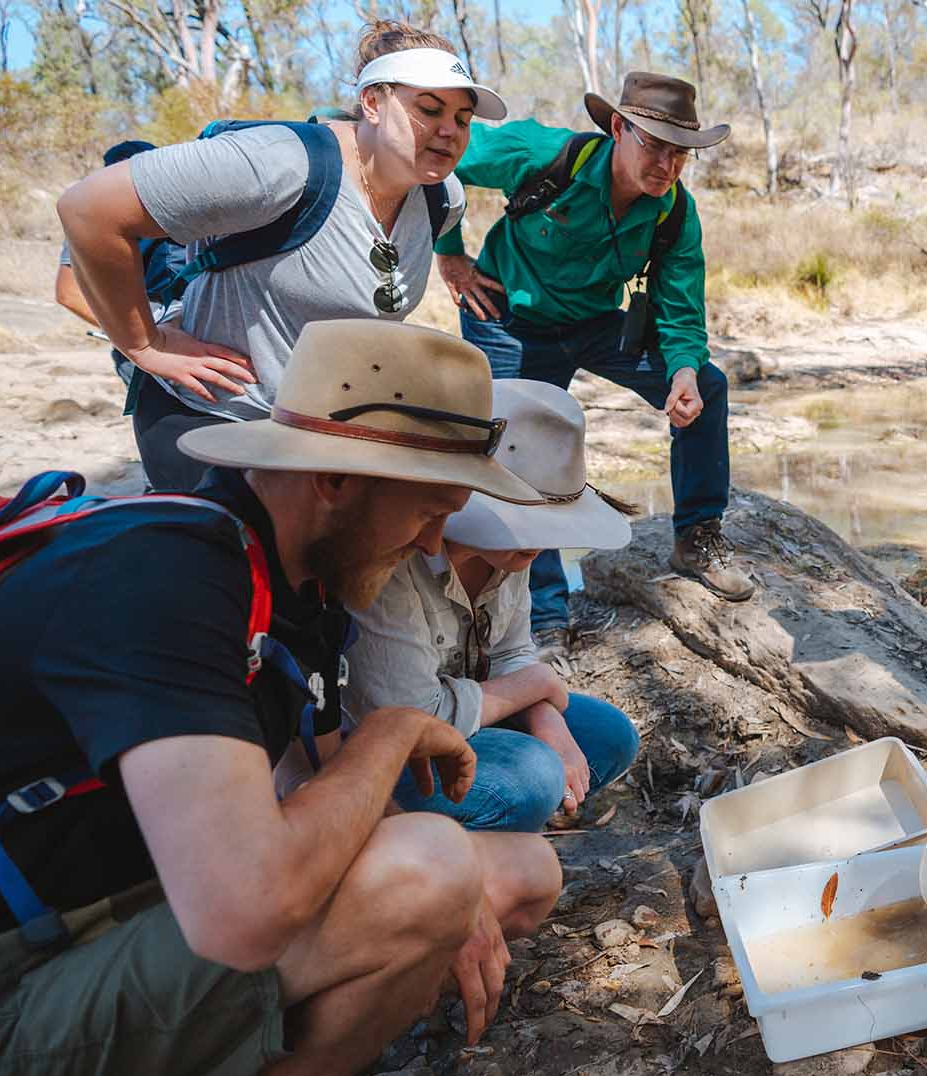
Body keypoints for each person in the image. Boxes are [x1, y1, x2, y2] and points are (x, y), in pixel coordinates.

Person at [0, 319, 559, 1076]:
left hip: (135, 906)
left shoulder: (293, 580)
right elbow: (246, 915)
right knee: (429, 871)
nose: (434, 545)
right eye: (429, 512)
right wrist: (390, 734)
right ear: (334, 481)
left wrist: (445, 909)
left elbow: (334, 798)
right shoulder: (171, 581)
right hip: (24, 977)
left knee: (520, 878)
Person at [57, 19, 505, 493]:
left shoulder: (443, 198)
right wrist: (143, 345)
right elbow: (86, 210)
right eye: (429, 109)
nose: (449, 131)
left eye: (462, 119)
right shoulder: (281, 164)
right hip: (214, 417)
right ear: (372, 102)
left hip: (317, 426)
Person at [434, 69, 752, 661]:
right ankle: (546, 615)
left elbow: (681, 312)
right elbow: (436, 160)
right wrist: (449, 256)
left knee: (706, 382)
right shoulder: (545, 155)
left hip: (600, 324)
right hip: (508, 318)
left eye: (679, 153)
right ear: (617, 128)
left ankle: (697, 537)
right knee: (521, 451)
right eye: (652, 145)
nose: (666, 165)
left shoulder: (675, 213)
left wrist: (681, 372)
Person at [344, 379, 639, 832]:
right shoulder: (396, 558)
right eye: (530, 521)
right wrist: (536, 683)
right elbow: (413, 716)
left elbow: (511, 652)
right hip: (386, 748)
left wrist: (544, 714)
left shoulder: (508, 557)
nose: (541, 545)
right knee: (534, 778)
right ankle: (434, 839)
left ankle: (507, 817)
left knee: (610, 736)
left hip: (471, 714)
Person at [53, 140, 184, 386]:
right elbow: (68, 294)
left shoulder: (88, 220)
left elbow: (67, 294)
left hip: (152, 339)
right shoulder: (183, 209)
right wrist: (144, 331)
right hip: (177, 333)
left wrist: (132, 331)